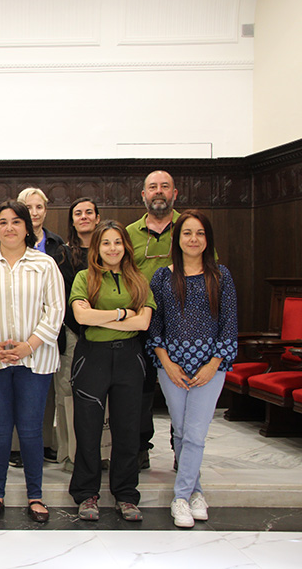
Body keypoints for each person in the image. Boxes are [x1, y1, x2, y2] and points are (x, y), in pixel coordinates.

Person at [0, 200, 65, 522]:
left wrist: (29, 346)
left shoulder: (45, 264)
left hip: (35, 360)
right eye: (3, 222)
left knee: (32, 429)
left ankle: (35, 495)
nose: (10, 227)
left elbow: (56, 310)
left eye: (16, 222)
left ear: (28, 228)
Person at [147, 210, 237, 528]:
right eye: (187, 233)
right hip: (171, 367)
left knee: (196, 434)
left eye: (200, 233)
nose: (193, 239)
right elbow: (154, 324)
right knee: (182, 432)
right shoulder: (162, 277)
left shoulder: (221, 276)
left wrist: (214, 364)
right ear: (177, 238)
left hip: (209, 368)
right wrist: (167, 363)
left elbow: (229, 324)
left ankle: (181, 497)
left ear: (207, 239)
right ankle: (196, 491)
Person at [68, 220, 155, 523]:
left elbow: (143, 323)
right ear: (97, 247)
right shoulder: (84, 277)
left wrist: (100, 318)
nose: (112, 248)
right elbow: (81, 315)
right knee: (88, 429)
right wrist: (121, 314)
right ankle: (86, 494)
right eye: (106, 242)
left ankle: (126, 494)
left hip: (129, 360)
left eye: (117, 242)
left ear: (126, 246)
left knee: (128, 430)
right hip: (92, 359)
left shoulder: (139, 280)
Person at [126, 170, 180, 470]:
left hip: (181, 324)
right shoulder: (131, 233)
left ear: (174, 193)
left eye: (164, 187)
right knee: (141, 389)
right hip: (142, 322)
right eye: (152, 187)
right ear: (143, 195)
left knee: (180, 385)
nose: (158, 192)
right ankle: (140, 445)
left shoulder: (189, 227)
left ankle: (180, 447)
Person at [16, 187, 73, 468]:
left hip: (51, 330)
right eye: (29, 207)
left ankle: (53, 446)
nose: (35, 213)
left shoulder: (57, 246)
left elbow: (63, 292)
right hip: (17, 329)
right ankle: (23, 449)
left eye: (39, 207)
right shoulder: (8, 240)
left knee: (52, 391)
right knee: (22, 391)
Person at [57, 197, 102, 473]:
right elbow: (61, 297)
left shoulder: (109, 249)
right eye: (78, 213)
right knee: (67, 394)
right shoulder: (63, 253)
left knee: (101, 396)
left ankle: (102, 453)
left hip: (108, 333)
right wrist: (80, 324)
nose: (84, 217)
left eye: (89, 212)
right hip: (73, 333)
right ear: (72, 220)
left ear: (97, 217)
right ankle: (69, 455)